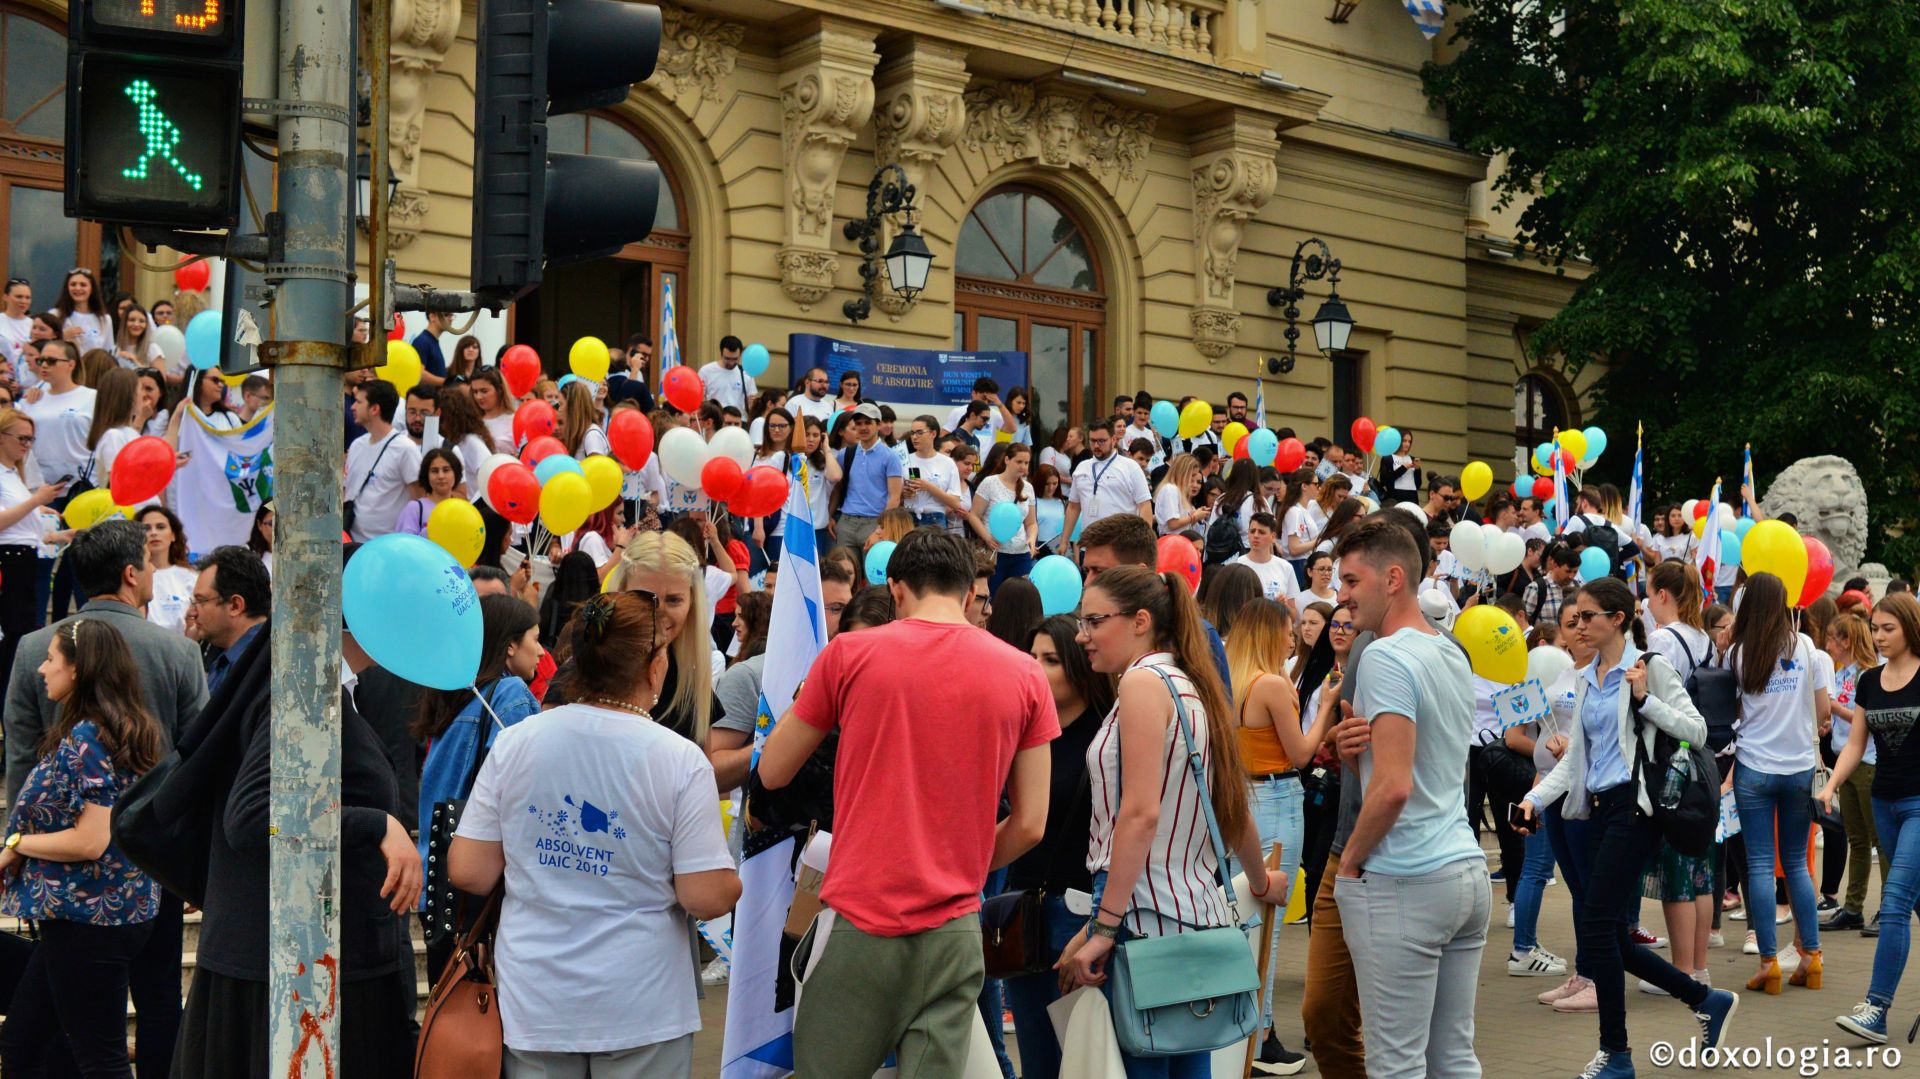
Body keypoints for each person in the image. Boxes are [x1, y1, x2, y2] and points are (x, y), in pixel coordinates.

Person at [759, 529, 1056, 1076]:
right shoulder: (1025, 674)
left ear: (894, 591)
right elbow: (1031, 822)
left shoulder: (849, 653)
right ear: (970, 595)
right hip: (955, 928)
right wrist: (958, 863)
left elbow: (774, 771)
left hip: (860, 920)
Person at [448, 590, 738, 1078]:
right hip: (640, 1005)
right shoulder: (679, 758)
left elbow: (469, 870)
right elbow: (706, 895)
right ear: (654, 667)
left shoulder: (517, 741)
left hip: (536, 999)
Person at [1056, 563, 1278, 1079]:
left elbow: (1139, 815)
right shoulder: (1188, 683)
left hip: (1141, 914)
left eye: (1093, 621)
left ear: (1139, 621)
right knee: (1185, 1062)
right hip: (1191, 913)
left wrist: (1104, 927)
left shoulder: (1142, 683)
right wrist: (1262, 880)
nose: (1083, 636)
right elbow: (1232, 803)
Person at [1516, 577, 1737, 1078]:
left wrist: (1644, 701)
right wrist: (1532, 800)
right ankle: (1704, 999)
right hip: (1598, 809)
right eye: (1574, 619)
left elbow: (1697, 730)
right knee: (1611, 935)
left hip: (1637, 811)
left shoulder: (1648, 668)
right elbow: (1577, 758)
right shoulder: (1587, 676)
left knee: (1596, 926)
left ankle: (1616, 1054)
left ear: (1617, 619)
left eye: (1588, 616)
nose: (1578, 625)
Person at [0, 618, 165, 1077]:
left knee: (98, 1057)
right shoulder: (124, 728)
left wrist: (17, 842)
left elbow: (92, 840)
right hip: (103, 915)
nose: (42, 670)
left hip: (89, 919)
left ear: (78, 669)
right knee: (24, 1042)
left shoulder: (90, 738)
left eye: (51, 660)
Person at [998, 614, 1114, 1079]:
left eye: (1049, 659)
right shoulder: (1025, 732)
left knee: (1085, 1058)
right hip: (1023, 913)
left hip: (1078, 914)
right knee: (1037, 1060)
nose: (1034, 667)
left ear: (1078, 666)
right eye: (1030, 657)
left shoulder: (1104, 736)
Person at [1228, 597, 1334, 1074]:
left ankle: (1243, 1034)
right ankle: (1263, 1035)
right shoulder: (1272, 684)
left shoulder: (1232, 680)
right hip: (1275, 798)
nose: (1293, 638)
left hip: (1242, 800)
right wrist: (1328, 707)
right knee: (1267, 922)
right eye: (1287, 630)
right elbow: (1299, 753)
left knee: (1244, 918)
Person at [414, 593, 541, 981]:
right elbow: (525, 785)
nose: (541, 651)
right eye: (534, 638)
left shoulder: (458, 698)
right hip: (482, 887)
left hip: (440, 882)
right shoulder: (509, 693)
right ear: (509, 647)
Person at [1721, 571, 1827, 994]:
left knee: (1762, 867)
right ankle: (1812, 956)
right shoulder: (1806, 647)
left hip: (1754, 768)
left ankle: (1769, 963)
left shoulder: (1738, 654)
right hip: (1799, 767)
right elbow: (1822, 713)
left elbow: (1731, 713)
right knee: (1797, 864)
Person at [1822, 592, 1920, 1043]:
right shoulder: (1869, 682)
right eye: (1875, 629)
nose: (1879, 637)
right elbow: (1857, 744)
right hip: (1885, 802)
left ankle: (1876, 1010)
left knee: (1896, 900)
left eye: (1888, 629)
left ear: (1910, 628)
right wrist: (1829, 785)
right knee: (1915, 899)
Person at [706, 554, 856, 791]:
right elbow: (712, 772)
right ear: (800, 611)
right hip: (774, 823)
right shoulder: (750, 675)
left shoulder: (859, 674)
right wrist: (778, 743)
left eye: (849, 608)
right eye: (836, 609)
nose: (848, 620)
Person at [1638, 561, 1719, 995]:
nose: (1648, 602)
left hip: (1673, 760)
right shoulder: (1703, 638)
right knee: (1702, 867)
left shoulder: (1663, 640)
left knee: (1677, 870)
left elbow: (1658, 702)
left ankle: (1682, 971)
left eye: (1650, 594)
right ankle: (1700, 966)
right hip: (1703, 759)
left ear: (1665, 595)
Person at [1081, 513, 1232, 693]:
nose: (1087, 582)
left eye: (1098, 571)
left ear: (1138, 572)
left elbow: (1219, 714)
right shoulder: (1085, 634)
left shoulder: (1197, 635)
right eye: (1087, 571)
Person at [600, 531, 719, 745]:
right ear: (620, 592)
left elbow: (704, 773)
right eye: (644, 597)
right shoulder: (583, 667)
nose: (659, 611)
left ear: (692, 603)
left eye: (674, 600)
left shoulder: (693, 684)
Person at [1817, 610, 1887, 934]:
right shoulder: (1845, 672)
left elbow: (1868, 720)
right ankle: (1854, 907)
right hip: (1846, 762)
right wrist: (1832, 721)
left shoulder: (1868, 675)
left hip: (1867, 764)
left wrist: (1833, 708)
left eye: (1832, 638)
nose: (1828, 644)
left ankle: (1889, 907)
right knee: (1858, 840)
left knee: (1881, 841)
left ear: (1846, 641)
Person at [0, 409, 63, 680]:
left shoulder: (14, 475)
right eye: (22, 438)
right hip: (8, 562)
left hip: (23, 560)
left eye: (31, 440)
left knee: (19, 640)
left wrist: (62, 535)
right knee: (11, 641)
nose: (27, 445)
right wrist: (36, 501)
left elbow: (24, 531)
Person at [344, 380, 423, 541]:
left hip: (388, 545)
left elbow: (418, 499)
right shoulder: (357, 445)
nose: (352, 407)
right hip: (352, 543)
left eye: (359, 402)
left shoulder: (405, 449)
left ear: (374, 409)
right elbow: (348, 490)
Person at [192, 546, 269, 696]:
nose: (192, 612)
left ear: (235, 605)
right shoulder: (228, 659)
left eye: (201, 601)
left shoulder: (259, 666)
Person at [1063, 422, 1151, 551]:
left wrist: (1144, 545)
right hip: (1090, 546)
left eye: (1101, 441)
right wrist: (1064, 541)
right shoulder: (1082, 468)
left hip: (1121, 547)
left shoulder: (1130, 467)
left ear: (1114, 440)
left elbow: (1144, 505)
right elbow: (1073, 507)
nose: (1096, 445)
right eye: (1092, 441)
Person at [21, 339, 96, 488]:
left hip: (81, 485)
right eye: (41, 360)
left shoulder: (92, 397)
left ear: (71, 364)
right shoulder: (31, 399)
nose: (44, 365)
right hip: (41, 488)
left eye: (51, 361)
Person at [832, 402, 902, 552]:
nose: (863, 427)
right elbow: (838, 489)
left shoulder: (890, 457)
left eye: (868, 422)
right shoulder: (845, 454)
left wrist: (880, 529)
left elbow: (895, 497)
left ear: (878, 425)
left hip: (875, 522)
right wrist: (829, 516)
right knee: (845, 573)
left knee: (872, 573)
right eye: (858, 423)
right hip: (846, 521)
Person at [970, 442, 1038, 593]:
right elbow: (973, 515)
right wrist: (987, 537)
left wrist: (1031, 539)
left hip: (1020, 552)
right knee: (992, 595)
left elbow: (1031, 523)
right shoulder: (990, 483)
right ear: (1007, 460)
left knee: (1019, 596)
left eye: (1026, 463)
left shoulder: (1028, 488)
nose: (1023, 466)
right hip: (994, 552)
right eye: (1019, 461)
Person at [902, 413, 968, 531]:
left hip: (935, 519)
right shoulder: (904, 460)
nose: (915, 437)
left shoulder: (947, 463)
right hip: (908, 517)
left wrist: (928, 487)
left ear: (933, 433)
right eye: (912, 433)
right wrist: (904, 494)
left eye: (919, 432)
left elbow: (956, 503)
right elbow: (892, 494)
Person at [139, 506, 196, 633]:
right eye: (146, 528)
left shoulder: (192, 577)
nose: (153, 532)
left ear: (173, 536)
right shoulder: (132, 578)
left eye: (160, 527)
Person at [1233, 512, 1303, 608]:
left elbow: (1295, 616)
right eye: (1252, 531)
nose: (1256, 535)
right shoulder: (1236, 564)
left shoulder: (1286, 567)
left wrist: (1283, 606)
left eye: (1261, 532)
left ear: (1273, 537)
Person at [432, 382, 495, 483]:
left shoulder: (472, 443)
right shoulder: (443, 441)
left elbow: (491, 477)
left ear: (455, 418)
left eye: (443, 419)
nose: (440, 425)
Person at [397, 448, 462, 537]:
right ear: (426, 475)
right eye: (434, 471)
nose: (441, 476)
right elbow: (404, 545)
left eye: (446, 470)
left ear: (455, 473)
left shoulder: (462, 508)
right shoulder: (415, 508)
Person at [50, 269, 112, 355]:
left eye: (83, 285)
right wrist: (62, 337)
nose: (77, 288)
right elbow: (45, 346)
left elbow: (108, 352)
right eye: (73, 284)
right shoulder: (55, 315)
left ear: (91, 289)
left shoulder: (104, 319)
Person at [1153, 454, 1206, 536]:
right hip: (1172, 541)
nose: (1194, 484)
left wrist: (1197, 513)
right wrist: (1195, 516)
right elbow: (1173, 524)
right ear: (1182, 473)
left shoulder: (1178, 492)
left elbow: (1182, 525)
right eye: (1192, 476)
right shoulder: (1170, 489)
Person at [472, 367, 517, 449]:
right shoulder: (472, 422)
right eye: (475, 392)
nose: (478, 397)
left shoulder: (515, 421)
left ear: (499, 390)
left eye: (484, 391)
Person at [410, 310, 451, 390]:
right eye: (446, 314)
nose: (450, 319)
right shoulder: (422, 341)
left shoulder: (431, 341)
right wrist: (447, 382)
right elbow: (419, 373)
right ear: (432, 317)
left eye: (451, 315)